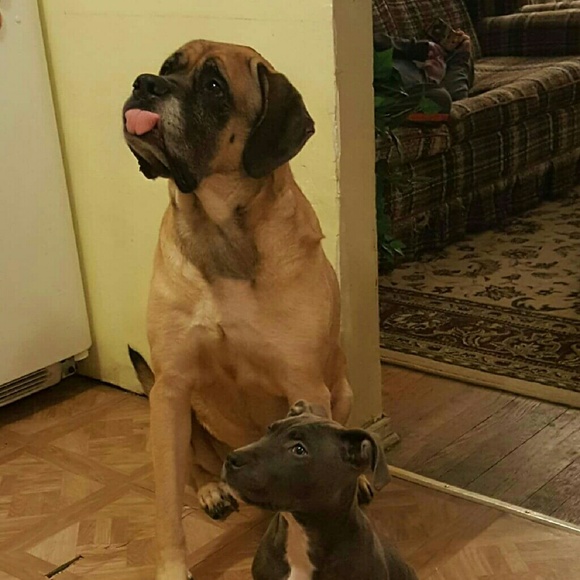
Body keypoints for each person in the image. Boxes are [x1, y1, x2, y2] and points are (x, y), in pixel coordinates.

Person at [374, 28, 474, 115]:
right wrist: (421, 48)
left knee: (441, 99)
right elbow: (376, 41)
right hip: (373, 70)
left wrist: (461, 58)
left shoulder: (431, 93)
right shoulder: (411, 54)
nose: (437, 57)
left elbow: (458, 100)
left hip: (388, 97)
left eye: (441, 58)